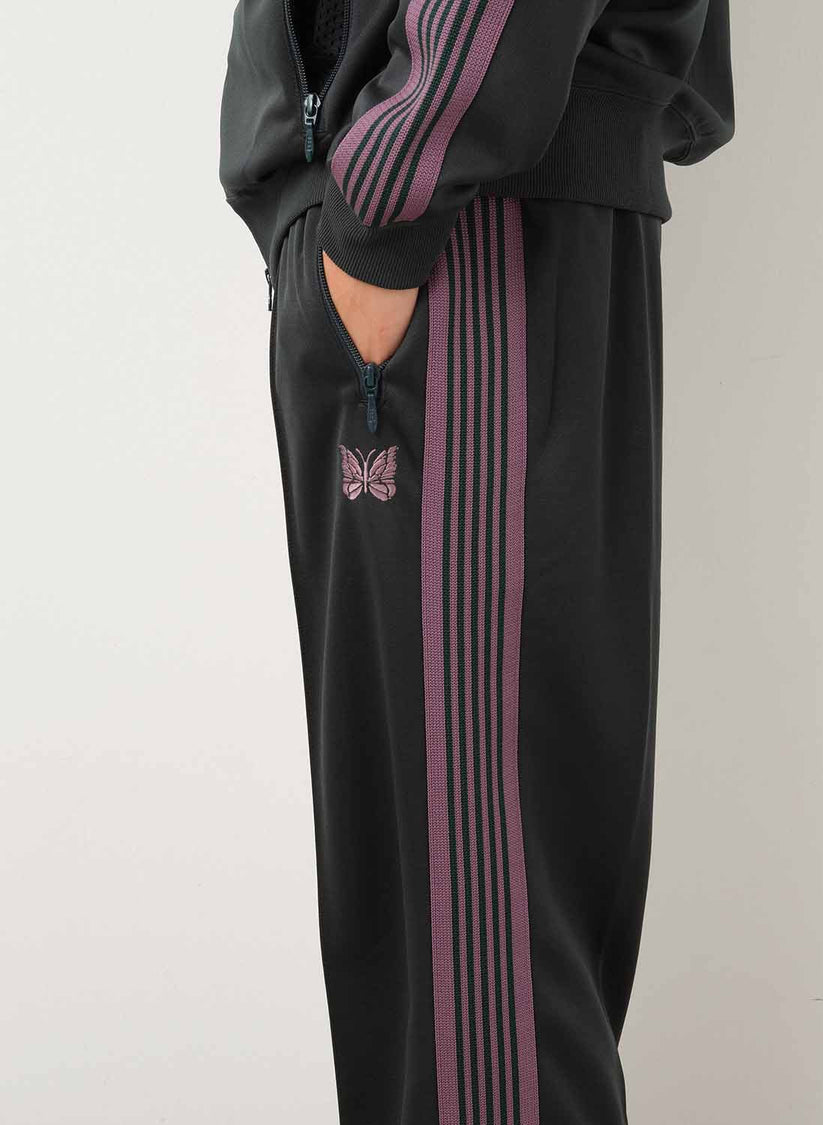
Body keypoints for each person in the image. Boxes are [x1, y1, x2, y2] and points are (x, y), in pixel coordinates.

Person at [220, 2, 733, 1121]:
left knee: (481, 981)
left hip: (457, 228)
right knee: (433, 956)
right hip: (424, 221)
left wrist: (386, 199)